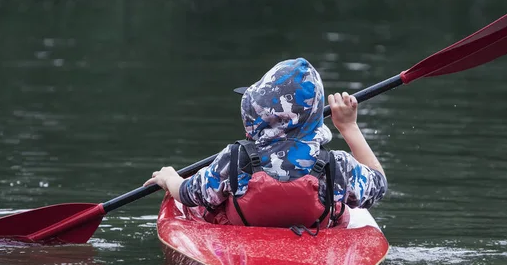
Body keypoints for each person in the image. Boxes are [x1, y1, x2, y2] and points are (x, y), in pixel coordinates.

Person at [144, 57, 387, 229]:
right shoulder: (337, 166)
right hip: (313, 238)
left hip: (241, 238)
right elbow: (378, 186)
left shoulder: (235, 158)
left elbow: (189, 194)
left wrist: (169, 178)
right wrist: (349, 127)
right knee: (341, 209)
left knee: (210, 207)